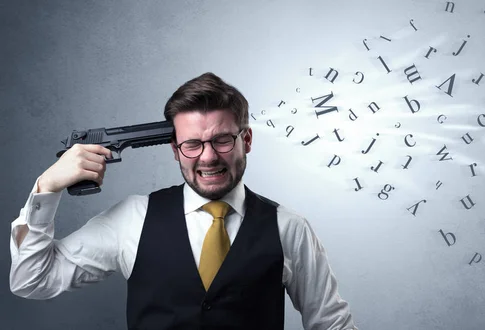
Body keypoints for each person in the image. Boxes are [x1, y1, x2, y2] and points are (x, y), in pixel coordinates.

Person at [9, 72, 358, 330]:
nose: (207, 157)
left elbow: (331, 324)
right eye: (192, 144)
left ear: (246, 140)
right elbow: (31, 280)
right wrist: (46, 188)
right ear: (175, 150)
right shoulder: (132, 218)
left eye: (222, 140)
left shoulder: (288, 228)